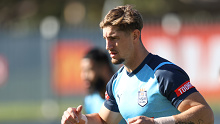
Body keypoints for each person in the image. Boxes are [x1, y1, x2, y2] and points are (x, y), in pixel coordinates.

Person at [61, 5, 214, 124]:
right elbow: (104, 120)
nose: (108, 45)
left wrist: (156, 122)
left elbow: (206, 115)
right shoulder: (116, 82)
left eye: (114, 38)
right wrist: (80, 119)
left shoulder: (164, 74)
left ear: (135, 35)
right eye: (105, 38)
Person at [80, 48, 114, 114]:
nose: (84, 76)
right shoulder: (90, 100)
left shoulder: (122, 95)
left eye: (89, 70)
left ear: (105, 69)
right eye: (83, 70)